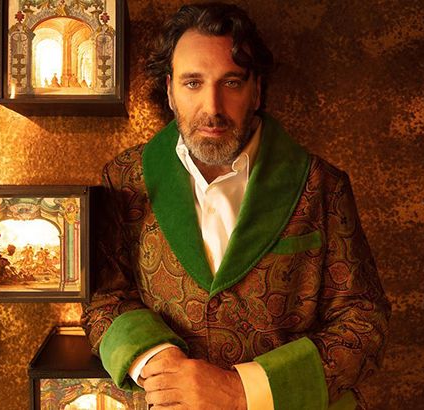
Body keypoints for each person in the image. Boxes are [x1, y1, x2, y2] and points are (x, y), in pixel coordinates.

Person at [81, 3, 390, 409]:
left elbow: (364, 322)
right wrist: (162, 365)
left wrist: (241, 391)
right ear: (170, 90)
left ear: (256, 90)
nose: (212, 107)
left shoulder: (322, 185)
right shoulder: (123, 177)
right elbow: (104, 297)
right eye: (193, 83)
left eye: (231, 82)